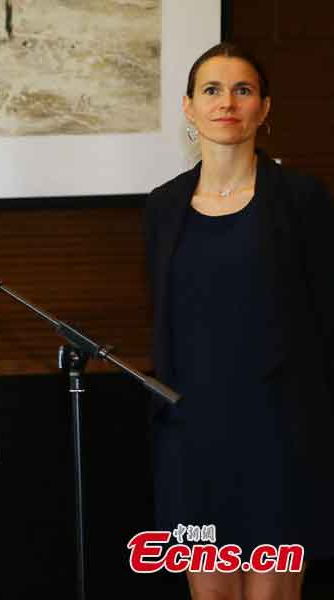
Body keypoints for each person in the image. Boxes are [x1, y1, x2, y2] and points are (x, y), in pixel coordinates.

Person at [144, 42, 334, 599]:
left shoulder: (302, 198)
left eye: (242, 90)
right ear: (188, 107)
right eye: (212, 90)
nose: (227, 102)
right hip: (193, 433)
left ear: (264, 108)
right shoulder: (162, 206)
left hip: (280, 430)